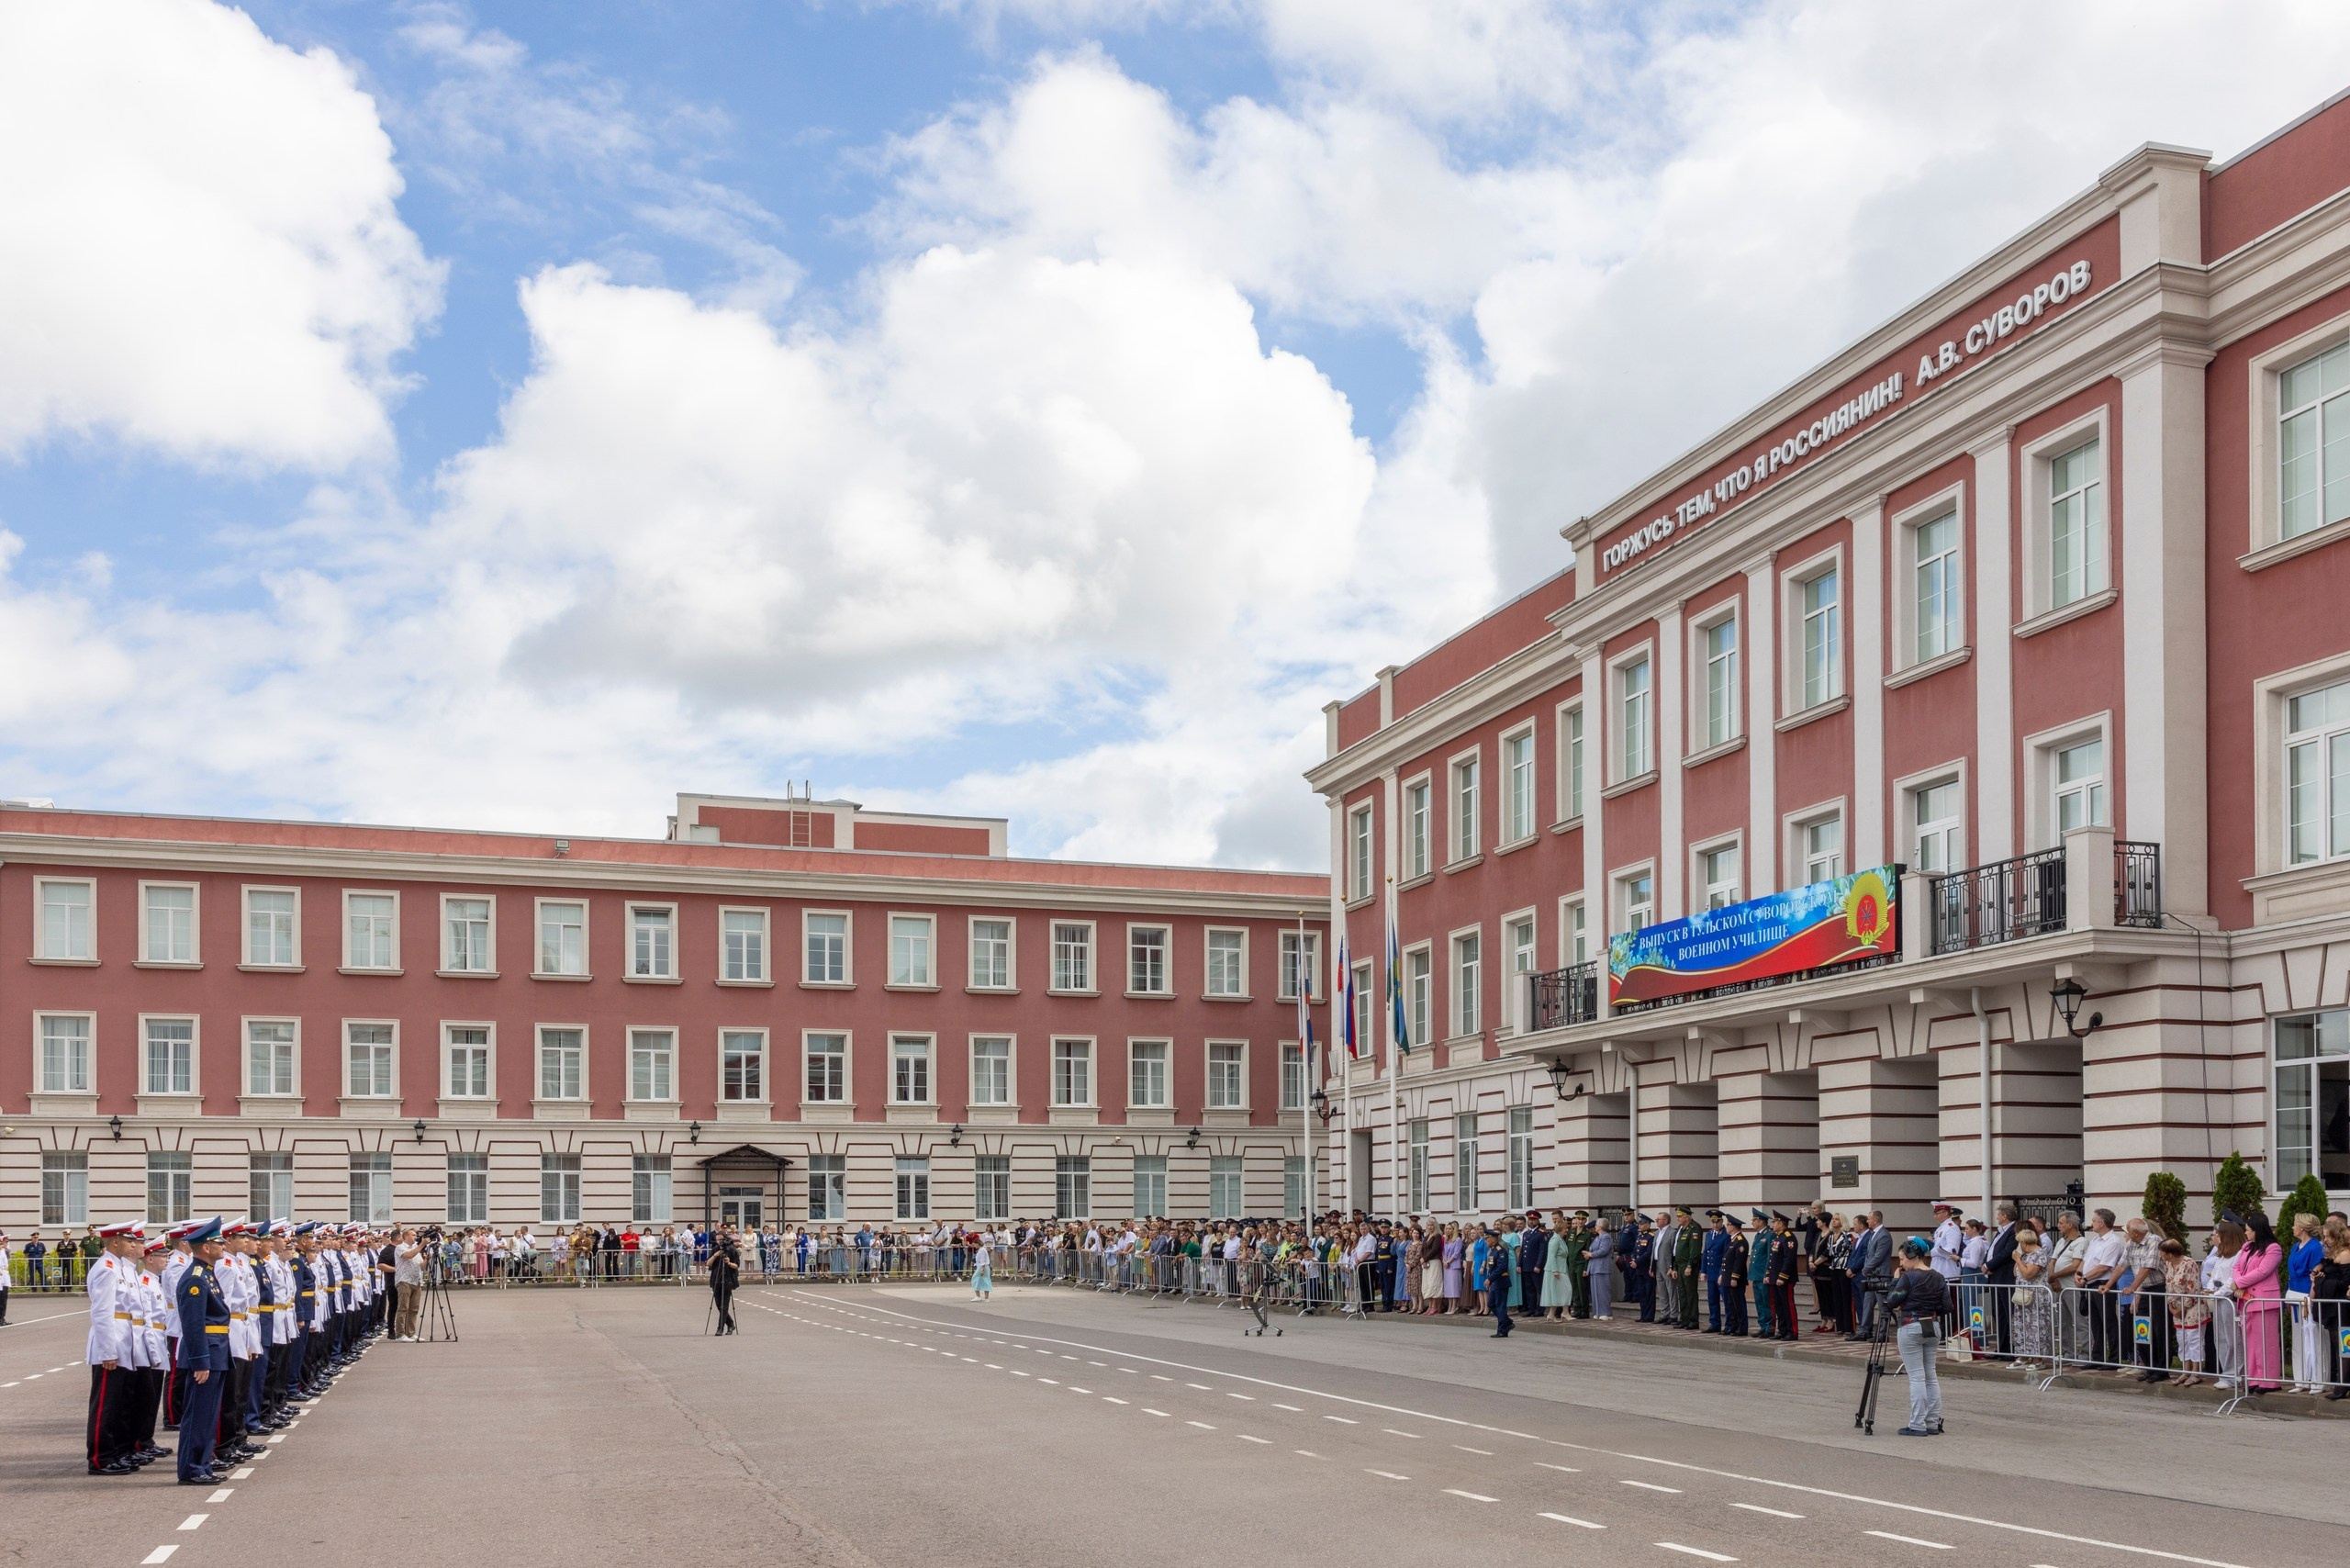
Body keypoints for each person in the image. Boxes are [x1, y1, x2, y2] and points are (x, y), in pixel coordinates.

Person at [84, 1221, 146, 1474]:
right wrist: (108, 1351)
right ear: (115, 1242)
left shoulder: (122, 1268)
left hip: (125, 1342)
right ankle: (101, 1458)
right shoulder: (107, 1269)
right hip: (111, 1344)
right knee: (106, 1406)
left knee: (122, 1402)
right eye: (129, 1240)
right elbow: (102, 1313)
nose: (134, 1244)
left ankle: (119, 1451)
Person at [174, 1218, 232, 1485]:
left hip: (216, 1351)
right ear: (206, 1247)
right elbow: (193, 1324)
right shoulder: (195, 1278)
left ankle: (203, 1463)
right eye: (218, 1242)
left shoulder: (207, 1274)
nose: (223, 1246)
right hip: (205, 1354)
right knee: (198, 1414)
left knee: (208, 1414)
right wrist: (199, 1361)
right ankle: (191, 1468)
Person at [1883, 1237, 1948, 1437]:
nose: (1901, 1264)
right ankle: (1932, 1422)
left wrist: (1895, 1281)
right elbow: (1947, 1306)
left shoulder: (1909, 1277)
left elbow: (1891, 1301)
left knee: (1917, 1377)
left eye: (1902, 1259)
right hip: (1932, 1325)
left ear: (1912, 1256)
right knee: (1931, 1375)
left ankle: (1917, 1424)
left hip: (1911, 1324)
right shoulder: (1938, 1276)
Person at [2232, 1210, 2285, 1394]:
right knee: (2251, 1343)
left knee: (2266, 1342)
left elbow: (2263, 1271)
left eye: (2248, 1230)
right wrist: (2237, 1284)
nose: (2245, 1233)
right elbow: (2237, 1266)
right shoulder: (2247, 1247)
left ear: (2257, 1230)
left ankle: (2269, 1381)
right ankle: (2254, 1378)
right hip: (2246, 1300)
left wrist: (2238, 1283)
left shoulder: (2273, 1248)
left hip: (2264, 1301)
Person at [2287, 1213, 2326, 1394]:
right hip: (2294, 1293)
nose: (2292, 1227)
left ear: (2302, 1227)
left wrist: (2312, 1296)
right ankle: (2300, 1379)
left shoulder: (2315, 1247)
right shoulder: (2296, 1246)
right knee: (2298, 1338)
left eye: (2295, 1224)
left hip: (2307, 1294)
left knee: (2314, 1337)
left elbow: (2315, 1273)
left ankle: (2318, 1379)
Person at [709, 1227, 741, 1335]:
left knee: (724, 1306)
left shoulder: (732, 1249)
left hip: (728, 1279)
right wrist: (715, 1255)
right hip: (716, 1279)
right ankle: (731, 1324)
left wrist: (729, 1263)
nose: (719, 1242)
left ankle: (720, 1329)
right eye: (717, 1240)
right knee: (718, 1305)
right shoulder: (715, 1249)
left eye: (720, 1239)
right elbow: (708, 1264)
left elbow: (737, 1266)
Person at [1585, 1213, 1617, 1321]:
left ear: (1602, 1226)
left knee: (1603, 1291)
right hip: (1594, 1267)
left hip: (1602, 1267)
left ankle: (1605, 1312)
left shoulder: (1606, 1237)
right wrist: (1588, 1253)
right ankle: (1597, 1311)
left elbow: (1603, 1251)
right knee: (1595, 1291)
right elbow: (1592, 1248)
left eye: (1597, 1225)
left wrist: (1591, 1254)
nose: (1595, 1226)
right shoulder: (1597, 1237)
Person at [1484, 1227, 1513, 1338]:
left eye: (1487, 1239)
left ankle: (1502, 1330)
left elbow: (1501, 1267)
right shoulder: (1492, 1250)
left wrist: (1490, 1279)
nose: (1486, 1241)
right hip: (1495, 1282)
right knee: (1491, 1304)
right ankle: (1507, 1322)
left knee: (1500, 1306)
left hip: (1501, 1281)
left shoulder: (1500, 1250)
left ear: (1493, 1239)